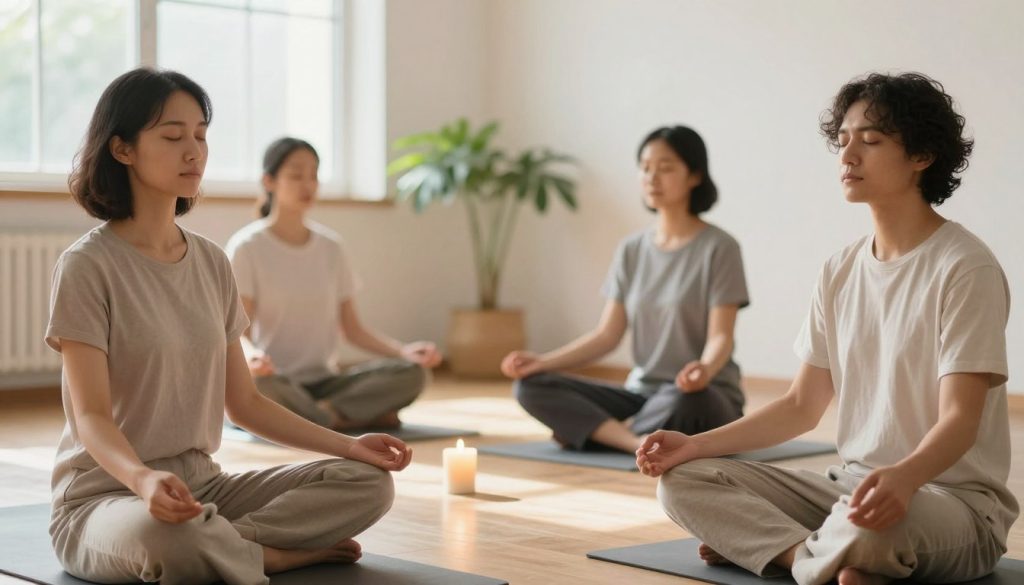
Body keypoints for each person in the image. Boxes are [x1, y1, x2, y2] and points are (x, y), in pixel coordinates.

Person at [638, 72, 1018, 585]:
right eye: (842, 141)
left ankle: (786, 549)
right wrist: (697, 445)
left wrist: (903, 479)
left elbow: (960, 421)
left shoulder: (964, 266)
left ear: (922, 155)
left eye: (871, 141)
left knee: (872, 529)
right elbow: (801, 405)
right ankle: (811, 557)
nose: (848, 156)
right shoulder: (839, 270)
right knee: (682, 482)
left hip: (949, 505)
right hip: (848, 494)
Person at [47, 68, 411, 585]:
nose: (194, 151)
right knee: (166, 539)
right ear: (122, 149)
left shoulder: (213, 262)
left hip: (203, 491)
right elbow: (90, 417)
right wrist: (144, 479)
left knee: (369, 483)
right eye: (173, 137)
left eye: (200, 135)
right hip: (106, 499)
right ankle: (269, 554)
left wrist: (348, 446)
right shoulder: (87, 266)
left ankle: (226, 546)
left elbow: (246, 405)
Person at [502, 125, 750, 453]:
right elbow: (607, 335)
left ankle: (596, 433)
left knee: (691, 402)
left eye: (665, 168)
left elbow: (721, 336)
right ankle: (631, 440)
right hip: (641, 396)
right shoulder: (631, 250)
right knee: (530, 387)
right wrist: (543, 363)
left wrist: (704, 369)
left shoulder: (720, 247)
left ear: (694, 176)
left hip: (701, 393)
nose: (651, 177)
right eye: (645, 168)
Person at [225, 137, 442, 431]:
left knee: (414, 374)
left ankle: (318, 419)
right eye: (296, 174)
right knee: (258, 387)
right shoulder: (247, 247)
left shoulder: (331, 248)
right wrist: (252, 357)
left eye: (314, 175)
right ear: (269, 181)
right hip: (275, 379)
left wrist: (403, 352)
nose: (308, 184)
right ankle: (349, 418)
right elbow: (238, 332)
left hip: (328, 384)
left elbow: (353, 330)